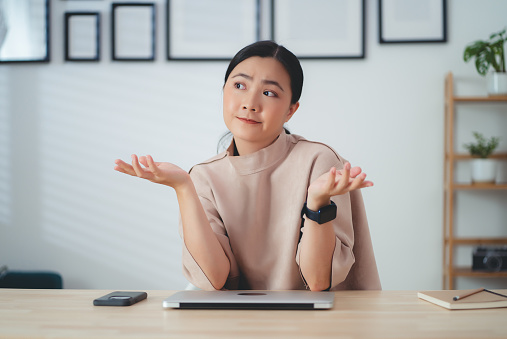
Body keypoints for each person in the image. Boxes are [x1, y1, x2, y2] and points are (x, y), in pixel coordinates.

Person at [114, 41, 381, 291]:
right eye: (240, 86)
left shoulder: (319, 161)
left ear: (291, 110)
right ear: (223, 92)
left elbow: (319, 281)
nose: (250, 104)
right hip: (235, 324)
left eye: (269, 92)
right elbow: (214, 278)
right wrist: (183, 187)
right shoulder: (204, 175)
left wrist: (317, 202)